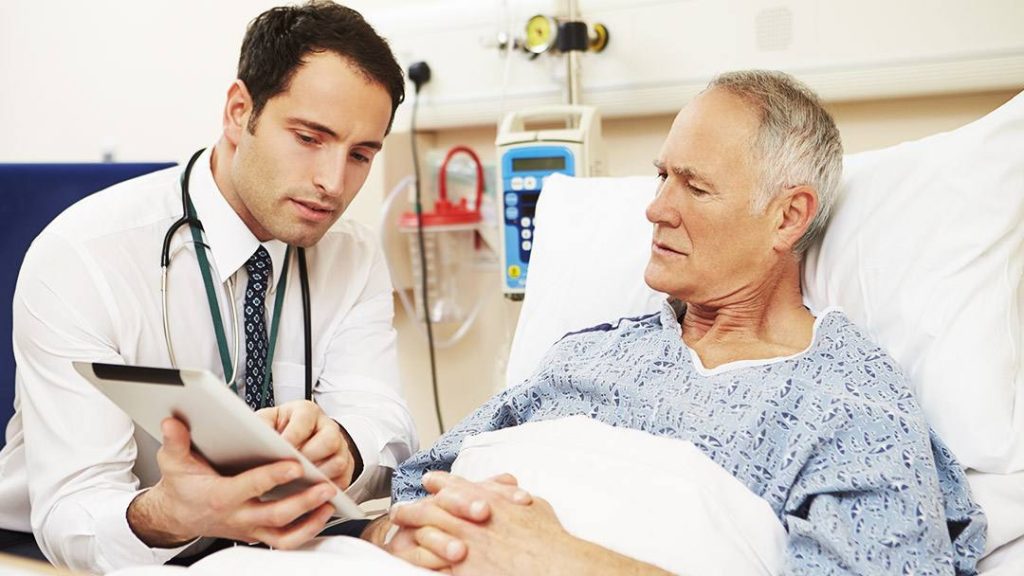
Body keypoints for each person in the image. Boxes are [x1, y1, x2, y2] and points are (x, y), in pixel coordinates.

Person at [360, 71, 988, 575]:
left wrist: (567, 562)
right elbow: (413, 488)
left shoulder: (853, 406)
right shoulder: (587, 355)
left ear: (789, 217)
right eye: (663, 175)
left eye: (696, 187)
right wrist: (394, 534)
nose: (656, 208)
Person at [0, 2, 417, 572]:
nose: (333, 183)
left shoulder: (354, 254)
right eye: (309, 137)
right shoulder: (84, 255)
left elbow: (385, 425)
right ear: (238, 111)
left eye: (361, 154)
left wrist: (344, 445)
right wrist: (173, 513)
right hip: (60, 556)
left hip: (266, 550)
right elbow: (71, 513)